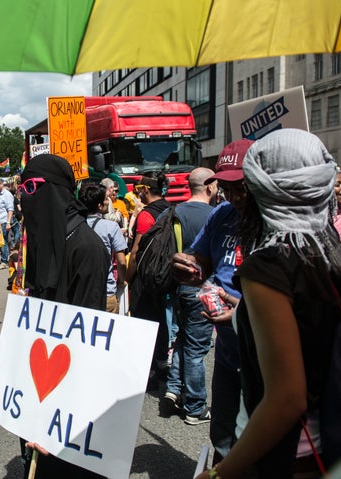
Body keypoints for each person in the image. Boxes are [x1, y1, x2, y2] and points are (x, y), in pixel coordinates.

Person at [196, 129, 341, 479]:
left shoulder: (268, 267)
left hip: (282, 455)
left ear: (264, 189)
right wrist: (243, 315)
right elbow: (312, 330)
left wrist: (221, 473)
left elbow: (287, 400)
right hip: (339, 439)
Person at [18, 154, 109, 478]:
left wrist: (58, 416)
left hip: (66, 403)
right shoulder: (44, 241)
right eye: (21, 188)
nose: (24, 195)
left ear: (55, 190)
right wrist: (7, 379)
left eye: (31, 187)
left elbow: (86, 339)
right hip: (36, 383)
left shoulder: (87, 247)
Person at [171, 138, 254, 465]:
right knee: (221, 432)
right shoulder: (221, 214)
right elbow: (201, 260)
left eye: (240, 187)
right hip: (228, 350)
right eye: (226, 185)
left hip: (264, 352)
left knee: (258, 438)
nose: (232, 194)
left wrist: (241, 310)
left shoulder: (274, 219)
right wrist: (187, 268)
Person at [163, 167, 217, 425]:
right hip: (204, 287)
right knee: (197, 348)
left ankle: (174, 388)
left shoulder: (175, 211)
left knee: (183, 338)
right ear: (209, 187)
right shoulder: (218, 214)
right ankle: (195, 407)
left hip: (178, 286)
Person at [126, 171, 172, 377]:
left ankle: (148, 369)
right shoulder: (172, 209)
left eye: (138, 190)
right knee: (162, 317)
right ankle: (162, 362)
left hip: (145, 277)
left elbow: (135, 252)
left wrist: (127, 276)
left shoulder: (146, 215)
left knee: (143, 320)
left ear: (145, 190)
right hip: (165, 273)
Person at [80, 183, 128, 313]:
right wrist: (121, 281)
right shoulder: (111, 227)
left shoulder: (75, 225)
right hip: (106, 294)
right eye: (106, 199)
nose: (109, 202)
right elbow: (122, 262)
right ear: (100, 206)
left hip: (81, 295)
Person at [0, 178, 14, 269]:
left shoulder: (7, 194)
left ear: (2, 184)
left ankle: (4, 262)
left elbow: (10, 209)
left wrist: (8, 222)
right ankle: (4, 259)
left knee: (4, 242)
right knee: (1, 242)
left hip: (4, 221)